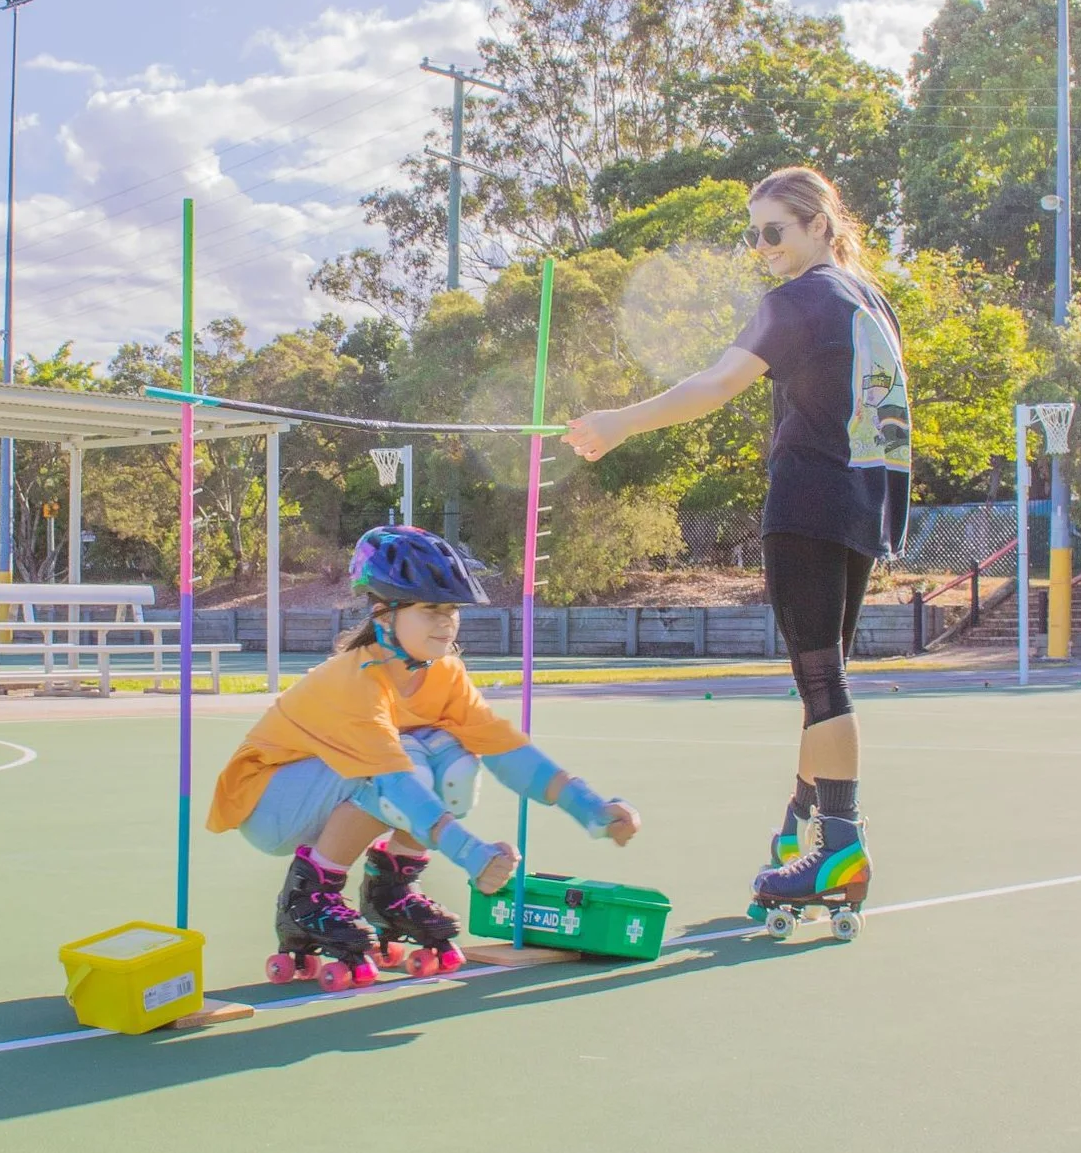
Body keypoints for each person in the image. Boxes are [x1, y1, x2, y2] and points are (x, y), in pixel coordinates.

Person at [566, 165, 908, 937]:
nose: (762, 247)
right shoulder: (868, 299)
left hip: (809, 501)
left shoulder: (799, 300)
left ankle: (840, 847)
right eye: (752, 234)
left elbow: (716, 383)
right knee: (822, 676)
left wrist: (619, 421)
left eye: (774, 231)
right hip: (858, 504)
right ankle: (800, 830)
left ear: (819, 223)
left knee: (821, 679)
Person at [208, 525, 642, 991]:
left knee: (454, 761)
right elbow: (393, 783)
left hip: (337, 789)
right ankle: (309, 897)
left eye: (452, 609)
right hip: (271, 804)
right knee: (407, 759)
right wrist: (471, 855)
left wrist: (590, 807)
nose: (446, 622)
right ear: (383, 613)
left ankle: (390, 889)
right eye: (431, 609)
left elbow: (504, 748)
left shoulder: (445, 674)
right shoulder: (353, 681)